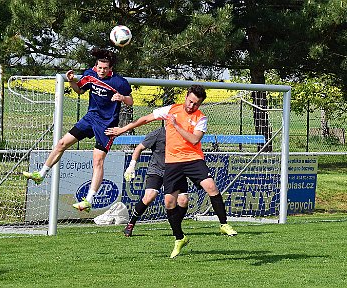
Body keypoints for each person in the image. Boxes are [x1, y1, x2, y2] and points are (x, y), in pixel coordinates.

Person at [105, 84, 237, 258]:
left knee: (211, 186)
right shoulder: (171, 109)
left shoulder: (201, 118)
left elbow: (194, 139)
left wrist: (176, 125)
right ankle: (179, 238)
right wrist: (122, 129)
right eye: (190, 101)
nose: (191, 106)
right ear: (186, 96)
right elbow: (145, 119)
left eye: (196, 104)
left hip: (193, 159)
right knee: (170, 202)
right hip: (173, 163)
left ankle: (223, 223)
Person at [23, 48, 133, 212]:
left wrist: (123, 98)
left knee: (97, 161)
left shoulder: (119, 82)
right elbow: (80, 90)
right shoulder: (90, 74)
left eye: (105, 68)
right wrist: (72, 81)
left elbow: (130, 101)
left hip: (107, 126)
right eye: (99, 67)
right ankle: (41, 173)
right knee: (61, 143)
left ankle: (88, 200)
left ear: (111, 69)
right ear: (96, 66)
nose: (102, 71)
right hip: (90, 118)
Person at [123, 127, 189, 237]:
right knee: (149, 196)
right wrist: (131, 166)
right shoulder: (158, 133)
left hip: (175, 171)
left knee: (183, 201)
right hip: (157, 170)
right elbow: (139, 148)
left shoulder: (183, 133)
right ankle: (130, 224)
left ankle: (176, 227)